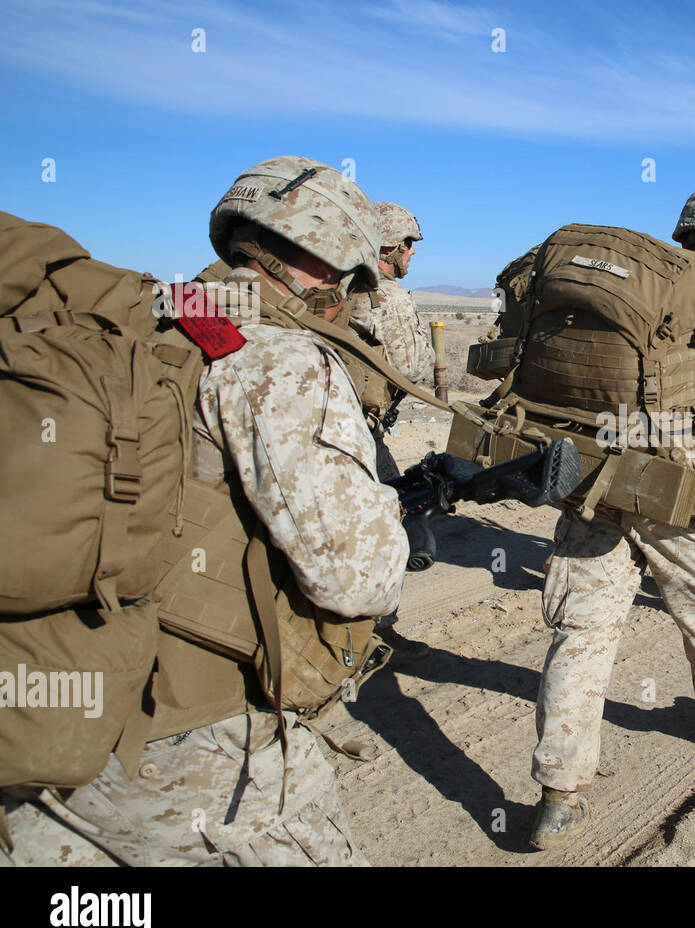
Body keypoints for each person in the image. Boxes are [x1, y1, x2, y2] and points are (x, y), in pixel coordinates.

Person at [3, 157, 409, 866]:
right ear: (328, 261)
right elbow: (357, 577)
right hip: (203, 750)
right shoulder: (277, 357)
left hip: (52, 713)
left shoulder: (148, 321)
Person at [528, 187, 695, 850]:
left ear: (684, 230)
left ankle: (559, 791)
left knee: (580, 633)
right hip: (677, 481)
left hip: (593, 472)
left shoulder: (640, 284)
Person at [348, 202, 433, 480]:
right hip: (358, 428)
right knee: (394, 506)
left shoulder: (340, 283)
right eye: (407, 243)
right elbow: (410, 367)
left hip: (337, 416)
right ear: (388, 248)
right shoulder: (387, 295)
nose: (412, 251)